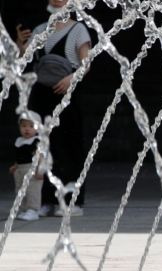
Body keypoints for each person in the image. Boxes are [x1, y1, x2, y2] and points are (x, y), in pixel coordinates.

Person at [16, 0, 91, 217]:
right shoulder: (41, 29)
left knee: (70, 145)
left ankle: (72, 200)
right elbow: (25, 61)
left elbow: (86, 63)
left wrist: (71, 80)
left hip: (67, 93)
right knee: (45, 147)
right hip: (42, 93)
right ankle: (46, 199)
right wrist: (21, 46)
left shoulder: (78, 29)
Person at [10, 111, 44, 222]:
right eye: (23, 126)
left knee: (32, 190)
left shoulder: (36, 141)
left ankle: (33, 210)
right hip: (20, 169)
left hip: (32, 169)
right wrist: (15, 166)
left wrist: (40, 170)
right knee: (20, 189)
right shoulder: (19, 141)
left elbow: (41, 157)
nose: (27, 129)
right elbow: (19, 157)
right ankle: (24, 209)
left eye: (31, 126)